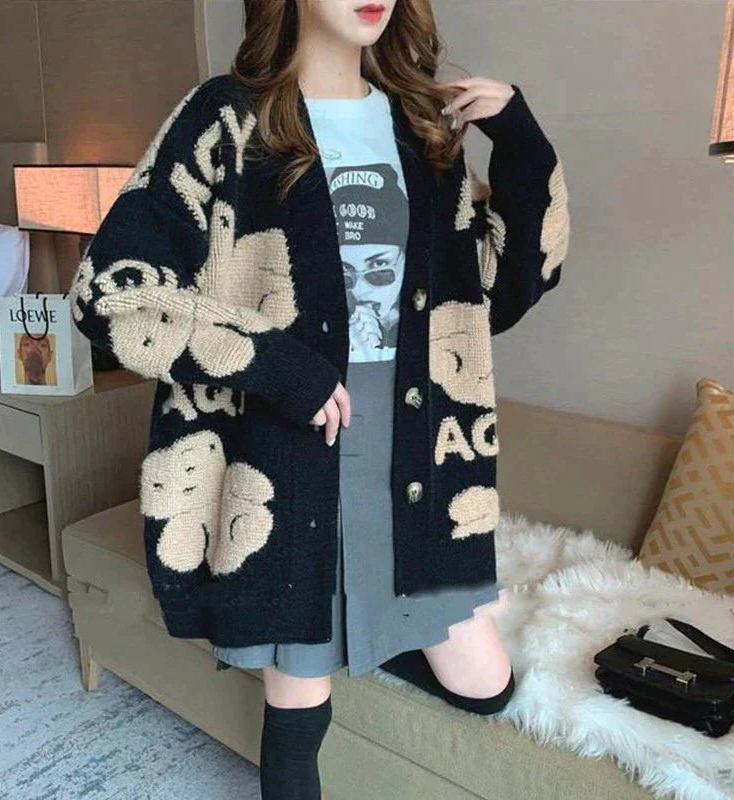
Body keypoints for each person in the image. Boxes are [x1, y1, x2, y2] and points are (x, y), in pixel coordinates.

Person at [68, 1, 569, 797]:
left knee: (486, 685)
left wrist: (520, 140)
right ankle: (331, 653)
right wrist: (277, 366)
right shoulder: (229, 118)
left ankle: (364, 634)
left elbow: (503, 288)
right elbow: (109, 294)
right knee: (299, 706)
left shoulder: (419, 130)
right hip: (289, 441)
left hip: (420, 446)